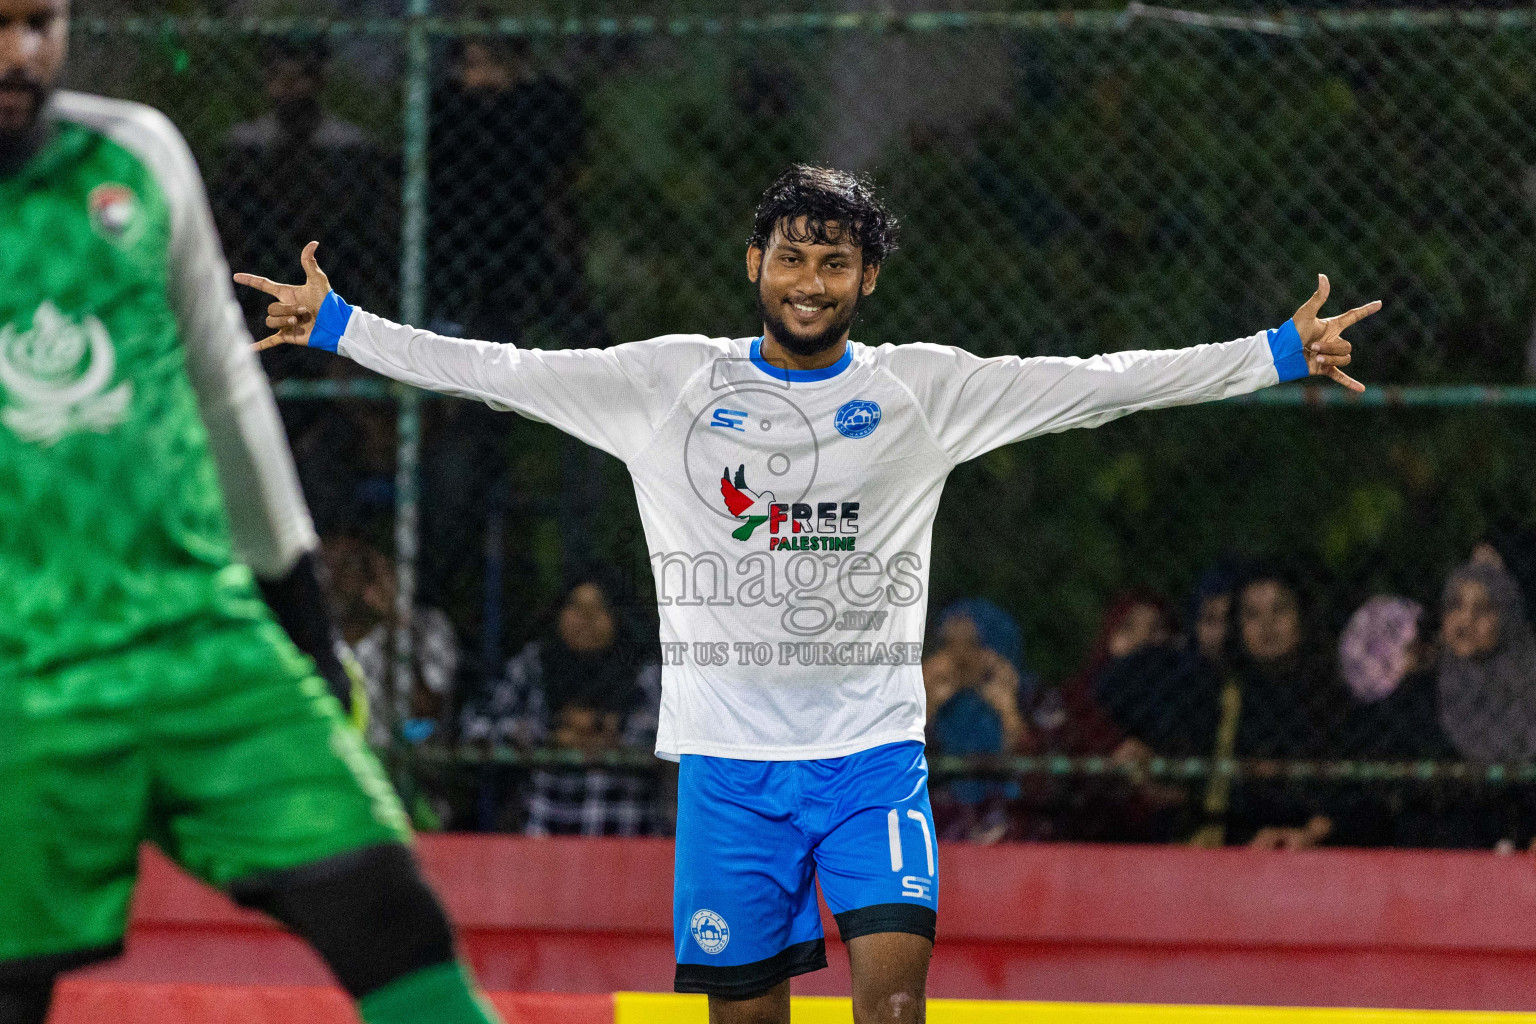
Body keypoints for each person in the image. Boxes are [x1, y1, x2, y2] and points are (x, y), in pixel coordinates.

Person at [238, 164, 1376, 1022]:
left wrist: (1273, 351)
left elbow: (1096, 388)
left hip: (872, 758)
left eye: (835, 263)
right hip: (728, 774)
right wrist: (343, 326)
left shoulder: (920, 391)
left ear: (866, 279)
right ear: (757, 265)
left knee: (890, 1005)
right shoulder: (668, 383)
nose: (811, 281)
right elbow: (501, 371)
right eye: (792, 257)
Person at [0, 3, 504, 1022]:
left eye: (39, 22)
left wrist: (305, 629)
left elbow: (229, 394)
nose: (21, 54)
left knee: (388, 910)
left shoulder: (138, 158)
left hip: (202, 643)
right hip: (23, 682)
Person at [461, 573, 663, 836]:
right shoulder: (535, 665)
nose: (586, 619)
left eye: (598, 608)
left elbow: (669, 733)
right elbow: (474, 724)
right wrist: (547, 734)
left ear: (617, 617)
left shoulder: (642, 672)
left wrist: (609, 731)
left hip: (625, 829)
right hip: (543, 826)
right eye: (576, 607)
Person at [922, 600, 1030, 843]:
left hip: (996, 794)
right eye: (951, 646)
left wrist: (1006, 709)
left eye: (971, 644)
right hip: (941, 795)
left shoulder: (1001, 683)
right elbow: (910, 748)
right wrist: (931, 703)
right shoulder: (933, 680)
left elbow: (1022, 749)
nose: (961, 656)